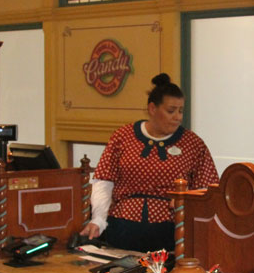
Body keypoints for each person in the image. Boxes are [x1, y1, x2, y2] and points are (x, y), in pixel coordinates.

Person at [82, 73, 219, 252]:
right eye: (171, 111)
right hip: (122, 229)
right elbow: (104, 180)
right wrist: (98, 219)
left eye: (181, 111)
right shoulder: (122, 137)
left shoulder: (193, 144)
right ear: (152, 109)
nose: (178, 117)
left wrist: (186, 199)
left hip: (171, 232)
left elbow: (209, 188)